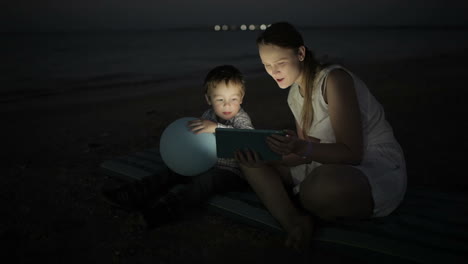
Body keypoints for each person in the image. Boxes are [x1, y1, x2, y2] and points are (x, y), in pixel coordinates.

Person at [234, 22, 407, 250]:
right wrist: (274, 152)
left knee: (318, 189)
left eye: (280, 63)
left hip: (371, 167)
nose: (273, 72)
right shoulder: (294, 95)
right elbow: (305, 154)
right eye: (266, 65)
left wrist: (300, 147)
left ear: (301, 53)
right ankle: (294, 222)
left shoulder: (334, 80)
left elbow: (352, 154)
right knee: (251, 162)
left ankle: (309, 203)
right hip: (323, 164)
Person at [102, 65, 254, 228]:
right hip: (205, 164)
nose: (227, 105)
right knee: (172, 172)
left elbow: (247, 138)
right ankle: (132, 194)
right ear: (209, 99)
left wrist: (216, 128)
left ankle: (165, 211)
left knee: (203, 184)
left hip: (232, 173)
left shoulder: (241, 118)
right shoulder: (207, 116)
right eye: (220, 100)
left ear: (241, 97)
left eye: (233, 99)